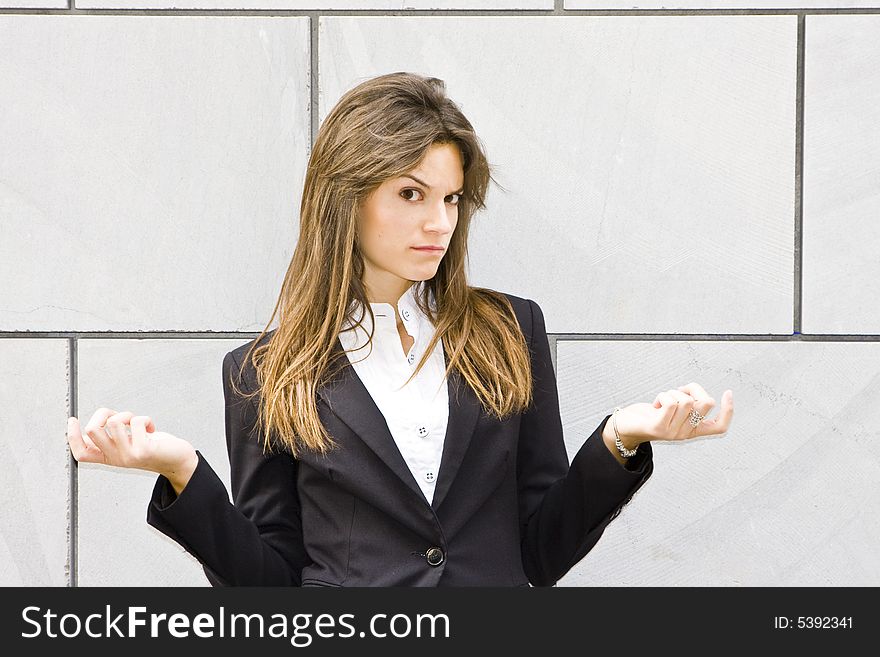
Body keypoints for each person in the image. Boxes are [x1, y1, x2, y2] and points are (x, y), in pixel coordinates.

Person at [66, 72, 734, 587]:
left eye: (449, 198)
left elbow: (540, 551)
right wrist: (182, 471)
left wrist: (620, 437)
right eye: (410, 194)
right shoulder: (264, 371)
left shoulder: (509, 329)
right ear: (346, 197)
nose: (439, 222)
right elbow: (271, 586)